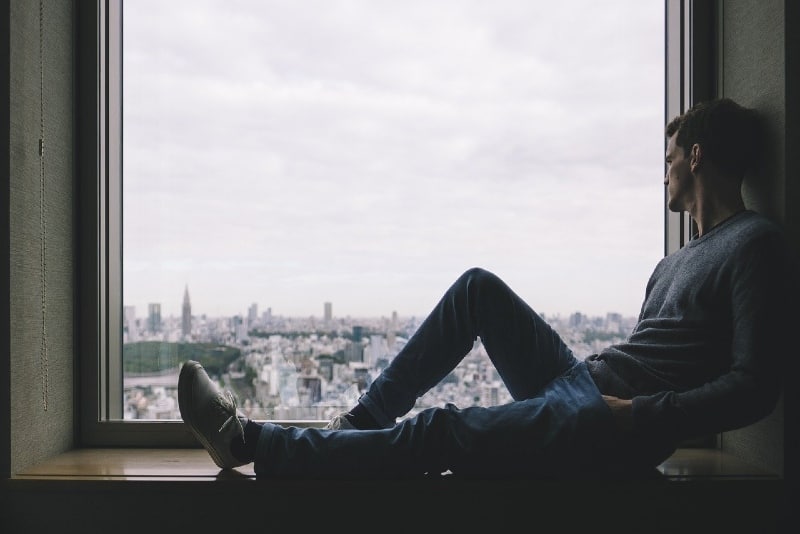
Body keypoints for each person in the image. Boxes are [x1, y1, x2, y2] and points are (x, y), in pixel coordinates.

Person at [178, 97, 795, 479]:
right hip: (588, 386)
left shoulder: (753, 244)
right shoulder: (674, 263)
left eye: (667, 160)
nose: (661, 174)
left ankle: (247, 442)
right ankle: (358, 421)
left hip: (611, 424)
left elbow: (754, 388)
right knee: (477, 289)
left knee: (440, 431)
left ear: (695, 156)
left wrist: (637, 415)